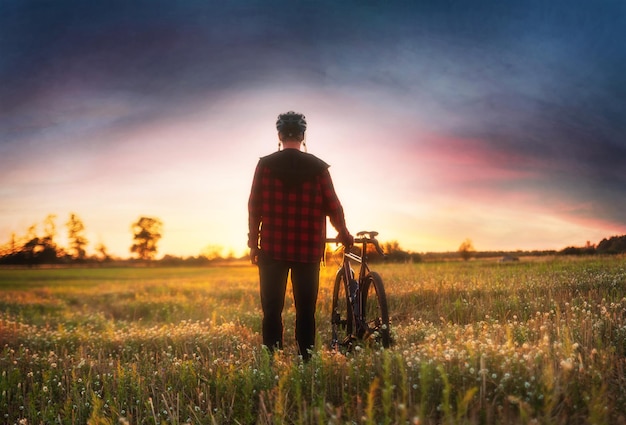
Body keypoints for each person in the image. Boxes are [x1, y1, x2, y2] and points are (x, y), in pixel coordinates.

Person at [247, 111, 353, 361]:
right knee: (306, 310)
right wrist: (344, 234)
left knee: (271, 310)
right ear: (303, 135)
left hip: (272, 249)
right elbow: (333, 206)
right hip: (307, 250)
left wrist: (254, 243)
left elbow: (254, 207)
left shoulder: (265, 165)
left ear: (280, 135)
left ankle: (272, 360)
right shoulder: (318, 167)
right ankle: (306, 360)